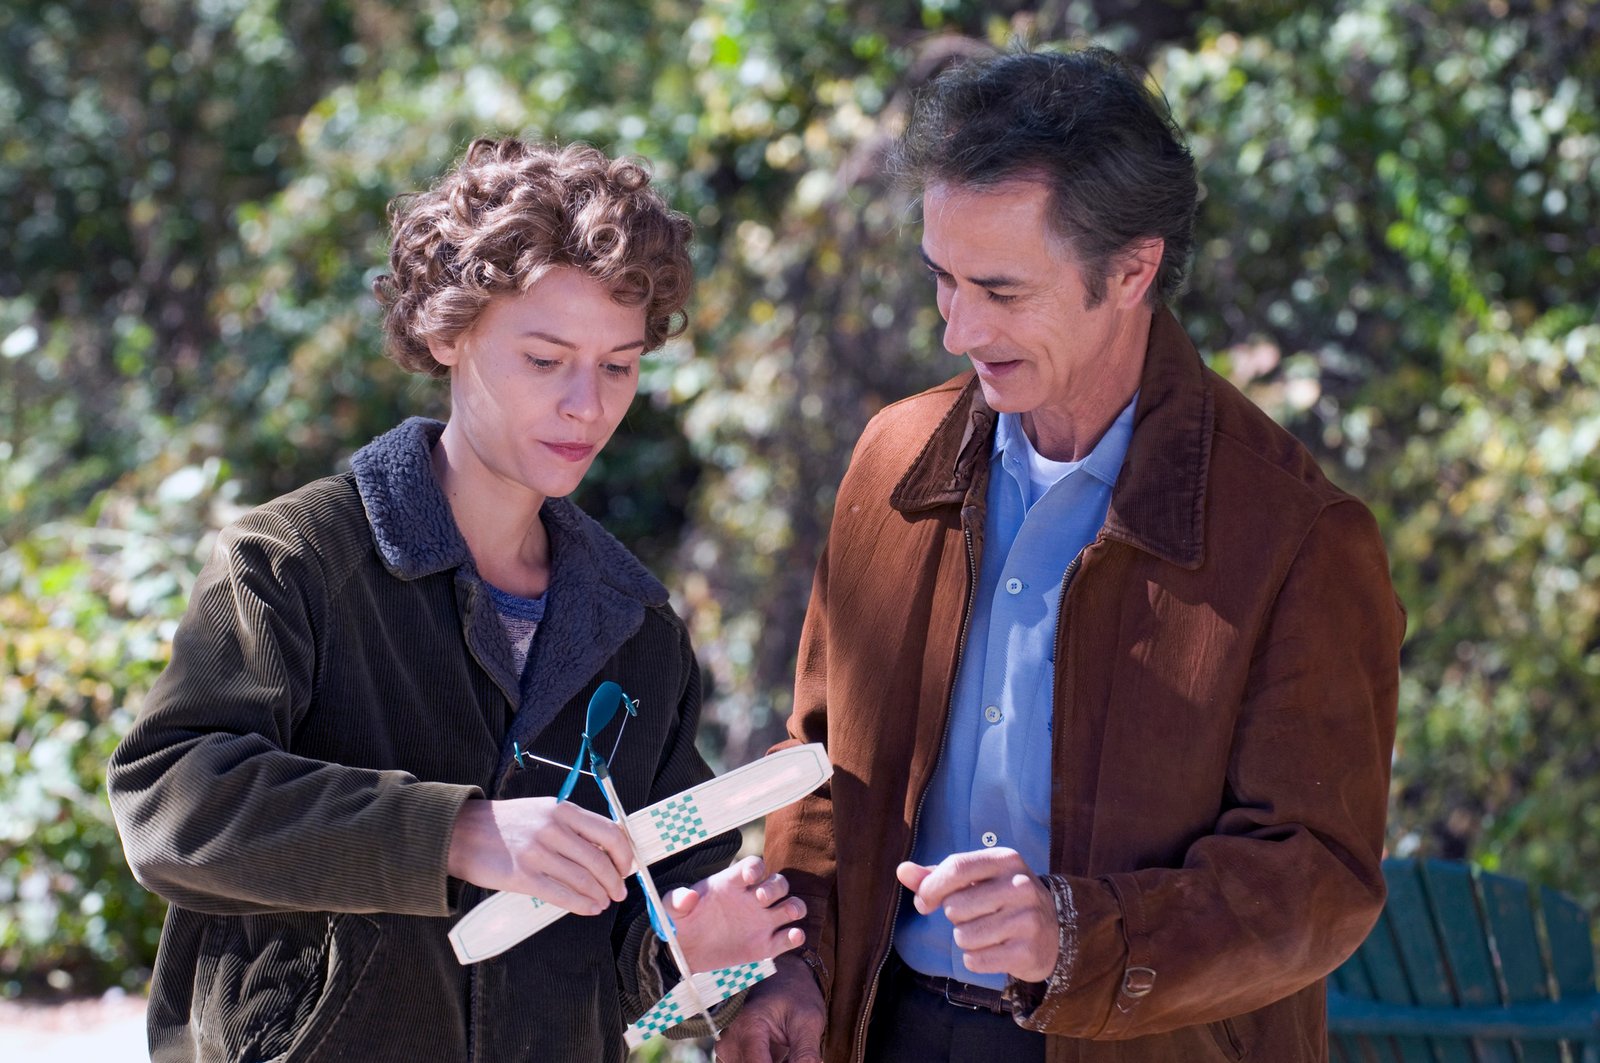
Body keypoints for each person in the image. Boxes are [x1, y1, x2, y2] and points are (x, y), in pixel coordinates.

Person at [720, 46, 1404, 1063]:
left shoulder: (1299, 534)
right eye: (941, 280)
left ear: (1131, 269)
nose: (956, 327)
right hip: (887, 1031)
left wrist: (1075, 936)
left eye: (999, 290)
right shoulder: (892, 459)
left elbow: (1315, 877)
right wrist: (791, 968)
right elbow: (820, 774)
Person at [108, 136, 804, 1062]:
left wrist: (696, 949)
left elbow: (634, 951)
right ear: (447, 332)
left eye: (618, 366)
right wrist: (451, 832)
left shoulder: (637, 632)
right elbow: (170, 804)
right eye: (546, 358)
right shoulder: (292, 562)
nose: (586, 406)